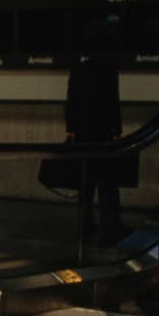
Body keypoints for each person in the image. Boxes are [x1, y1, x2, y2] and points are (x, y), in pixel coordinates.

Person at [65, 39, 128, 245]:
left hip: (82, 132)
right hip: (102, 132)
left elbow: (71, 100)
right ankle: (110, 225)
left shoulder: (78, 70)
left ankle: (86, 223)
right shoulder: (109, 69)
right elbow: (112, 101)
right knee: (107, 182)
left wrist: (71, 128)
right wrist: (117, 130)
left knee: (86, 181)